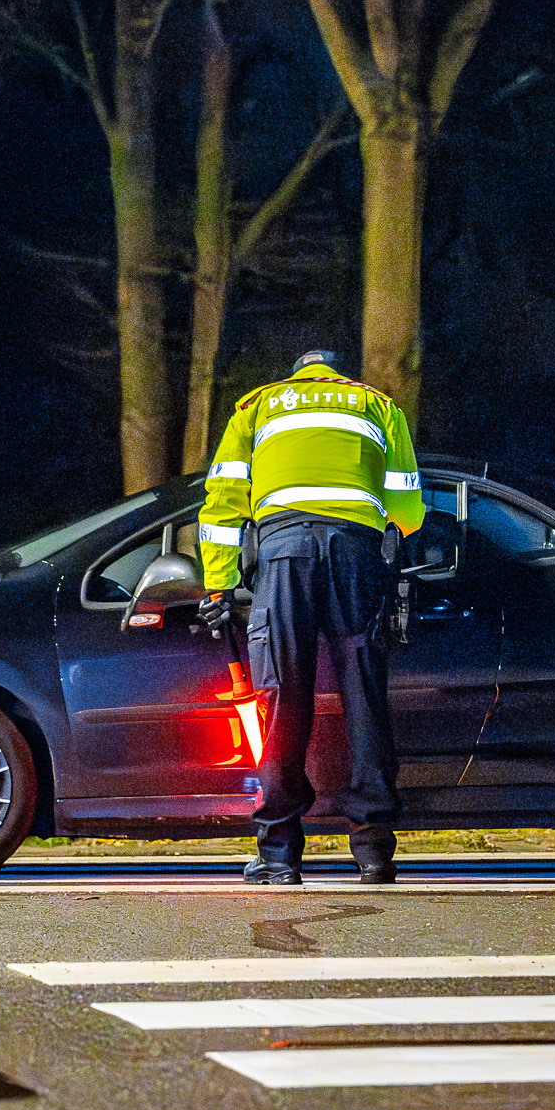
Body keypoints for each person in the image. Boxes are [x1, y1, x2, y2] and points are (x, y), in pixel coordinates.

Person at [196, 351, 424, 885]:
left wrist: (219, 584)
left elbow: (224, 501)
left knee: (282, 698)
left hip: (283, 555)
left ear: (297, 372)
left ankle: (279, 853)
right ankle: (373, 849)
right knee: (364, 697)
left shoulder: (258, 406)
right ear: (339, 375)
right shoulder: (377, 404)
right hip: (356, 557)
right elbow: (408, 510)